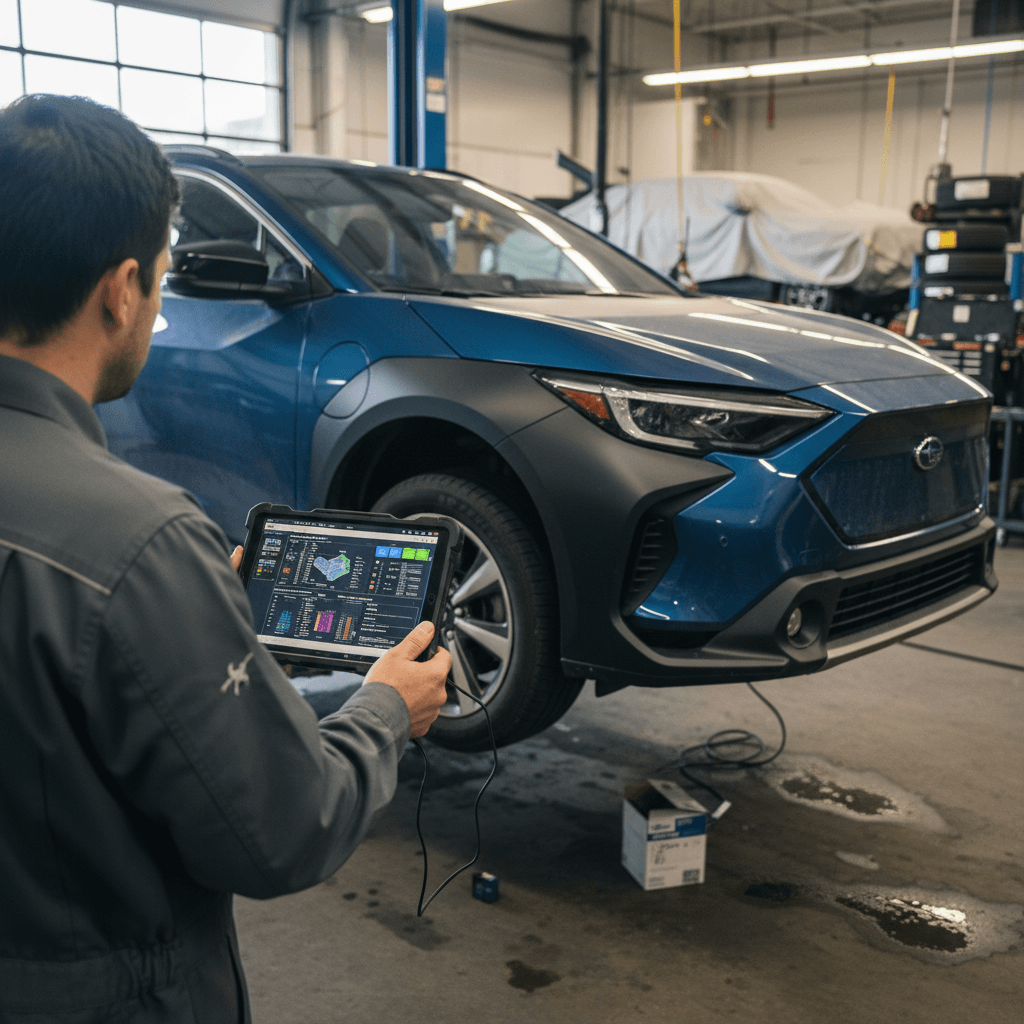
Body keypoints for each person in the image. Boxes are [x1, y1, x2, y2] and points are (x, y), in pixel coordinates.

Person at [0, 94, 451, 1024]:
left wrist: (190, 620)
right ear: (122, 290)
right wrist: (384, 712)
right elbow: (281, 833)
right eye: (163, 282)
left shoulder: (141, 563)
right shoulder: (140, 545)